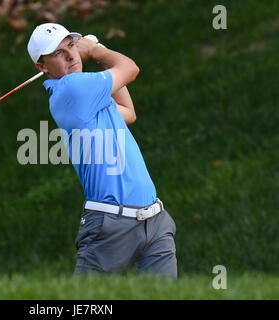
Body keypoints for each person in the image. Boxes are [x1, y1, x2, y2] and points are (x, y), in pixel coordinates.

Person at [27, 23, 177, 278]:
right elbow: (130, 68)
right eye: (58, 53)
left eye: (71, 46)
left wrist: (102, 56)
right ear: (42, 67)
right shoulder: (72, 89)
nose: (71, 55)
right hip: (110, 226)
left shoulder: (89, 95)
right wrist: (96, 50)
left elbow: (128, 112)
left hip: (155, 220)